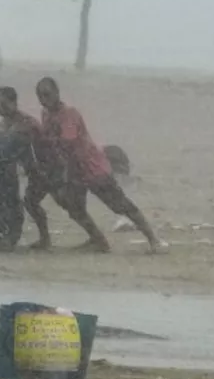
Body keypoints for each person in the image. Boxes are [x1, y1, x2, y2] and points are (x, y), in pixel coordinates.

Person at [35, 77, 164, 253]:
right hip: (73, 170)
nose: (44, 100)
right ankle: (98, 240)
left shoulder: (69, 114)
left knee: (120, 205)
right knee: (74, 208)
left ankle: (153, 239)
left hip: (91, 167)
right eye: (40, 96)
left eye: (47, 95)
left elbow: (67, 141)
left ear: (57, 93)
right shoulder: (46, 114)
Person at [0, 86, 60, 250]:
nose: (0, 110)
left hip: (46, 167)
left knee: (32, 202)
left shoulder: (26, 124)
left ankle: (45, 239)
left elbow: (25, 148)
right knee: (30, 202)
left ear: (14, 103)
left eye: (3, 105)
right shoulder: (5, 123)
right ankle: (44, 239)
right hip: (32, 169)